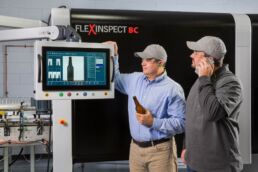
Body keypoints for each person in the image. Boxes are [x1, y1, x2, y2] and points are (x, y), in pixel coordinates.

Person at [106, 41, 185, 172]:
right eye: (142, 59)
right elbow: (114, 78)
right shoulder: (134, 79)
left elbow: (182, 123)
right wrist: (113, 55)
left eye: (148, 60)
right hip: (135, 150)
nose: (143, 63)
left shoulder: (173, 89)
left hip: (161, 152)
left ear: (161, 62)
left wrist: (153, 122)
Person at [181, 36, 243, 172]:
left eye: (196, 53)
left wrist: (204, 78)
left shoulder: (230, 83)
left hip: (217, 166)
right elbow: (191, 115)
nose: (191, 55)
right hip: (194, 162)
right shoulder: (202, 81)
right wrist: (186, 147)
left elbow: (212, 113)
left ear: (208, 59)